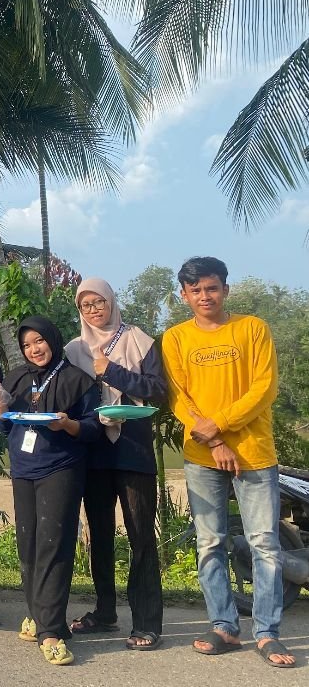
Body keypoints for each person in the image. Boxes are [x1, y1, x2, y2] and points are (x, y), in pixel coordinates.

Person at [161, 256, 294, 668]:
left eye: (212, 287)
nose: (205, 295)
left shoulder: (252, 329)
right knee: (210, 543)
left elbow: (264, 388)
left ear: (225, 290)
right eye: (195, 290)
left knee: (264, 544)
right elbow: (178, 397)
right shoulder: (176, 338)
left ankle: (267, 633)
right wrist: (214, 438)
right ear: (184, 295)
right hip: (202, 455)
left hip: (254, 453)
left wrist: (219, 423)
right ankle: (224, 625)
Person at [0, 315, 102, 666]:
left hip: (61, 468)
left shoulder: (78, 380)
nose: (34, 349)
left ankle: (50, 631)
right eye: (26, 345)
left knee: (53, 544)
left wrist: (66, 423)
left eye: (39, 341)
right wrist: (0, 404)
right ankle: (39, 615)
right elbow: (4, 428)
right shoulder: (18, 378)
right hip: (23, 469)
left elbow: (93, 429)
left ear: (52, 339)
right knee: (29, 543)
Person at [64, 279, 166, 650]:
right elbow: (67, 396)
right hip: (94, 452)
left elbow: (158, 390)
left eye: (99, 302)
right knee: (100, 537)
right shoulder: (73, 349)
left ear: (112, 301)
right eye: (86, 304)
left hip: (133, 450)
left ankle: (147, 622)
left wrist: (111, 371)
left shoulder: (140, 340)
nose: (93, 309)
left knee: (141, 537)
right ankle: (105, 612)